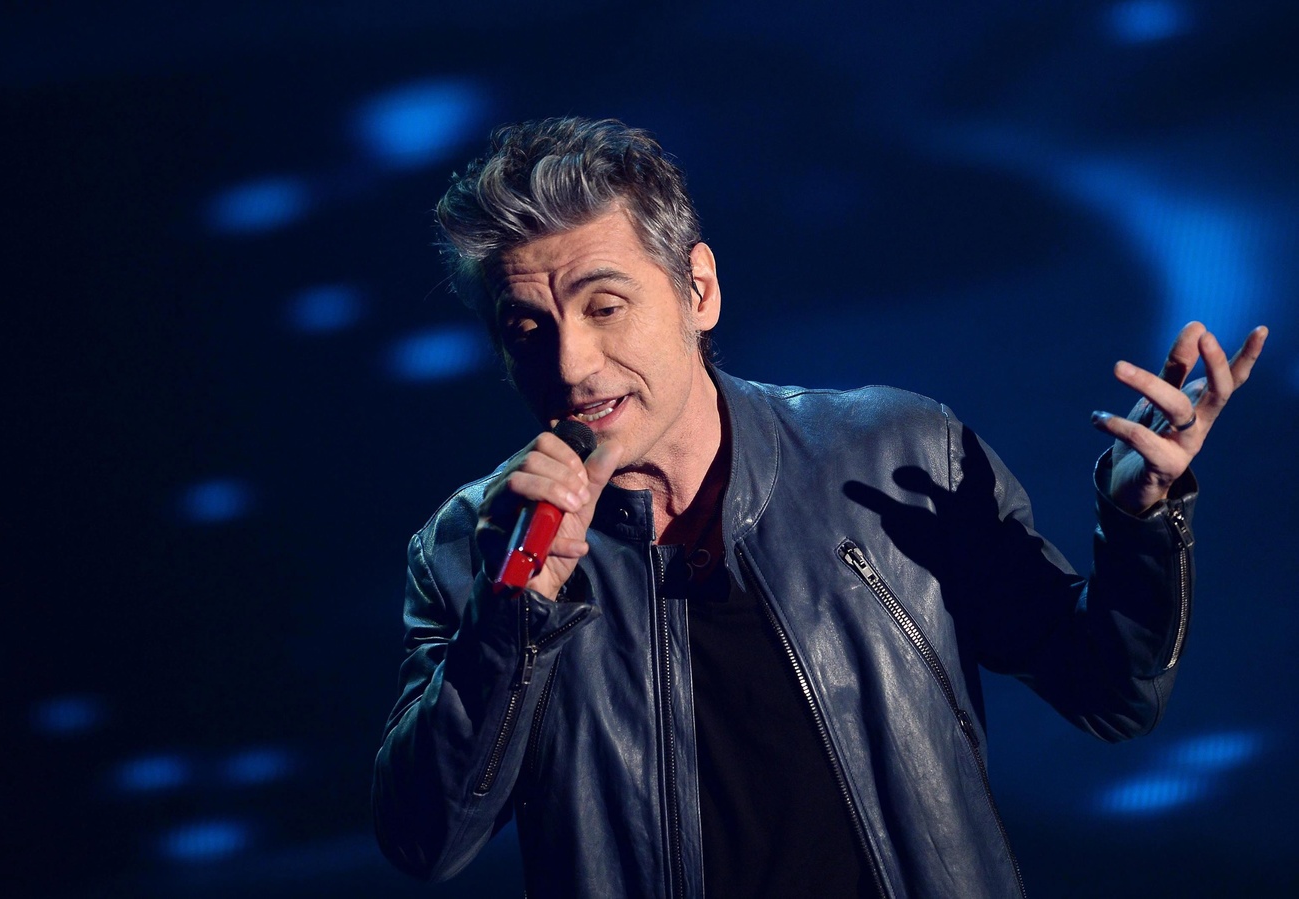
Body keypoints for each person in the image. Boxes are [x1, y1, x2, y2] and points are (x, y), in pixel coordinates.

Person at [371, 117, 1267, 898]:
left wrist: (1140, 518)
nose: (571, 364)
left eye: (604, 306)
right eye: (527, 328)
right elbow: (425, 840)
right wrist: (514, 608)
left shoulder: (893, 453)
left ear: (697, 290)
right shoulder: (469, 547)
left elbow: (1111, 693)